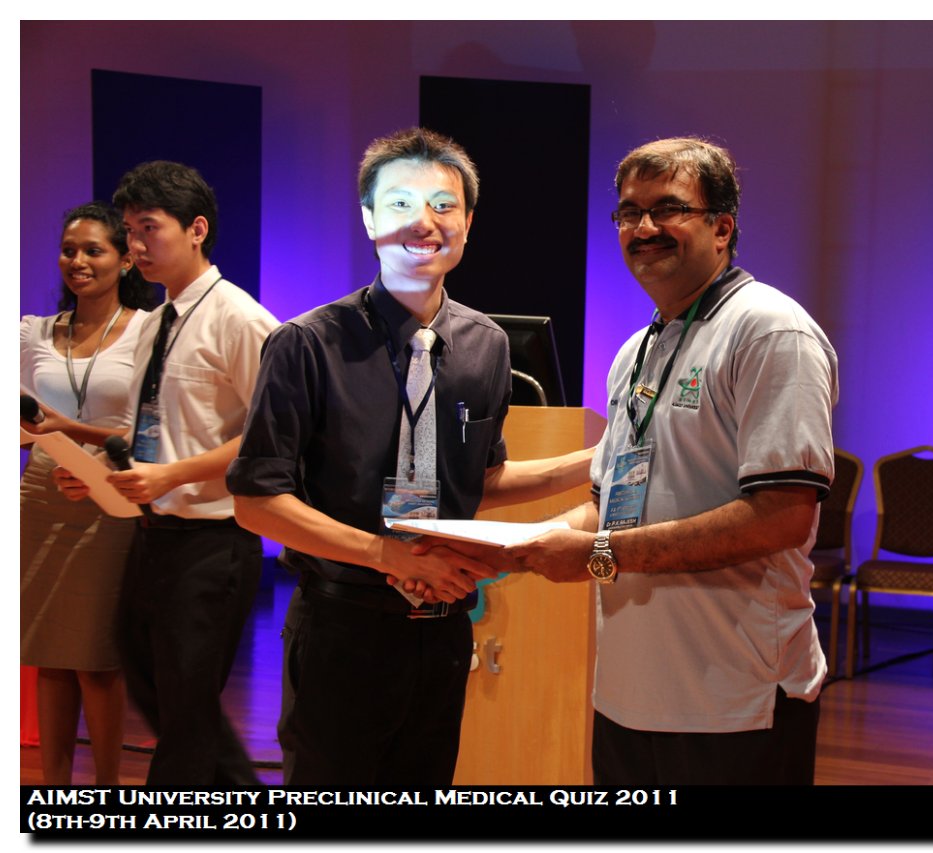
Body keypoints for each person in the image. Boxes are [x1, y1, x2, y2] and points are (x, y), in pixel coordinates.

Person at [227, 127, 592, 786]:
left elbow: (479, 480)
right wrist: (388, 555)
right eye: (400, 204)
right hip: (342, 625)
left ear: (468, 223)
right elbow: (257, 502)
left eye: (444, 205)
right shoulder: (305, 344)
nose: (424, 221)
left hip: (444, 630)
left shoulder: (486, 345)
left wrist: (593, 463)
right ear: (370, 220)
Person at [491, 137, 838, 785]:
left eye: (668, 208)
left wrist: (596, 554)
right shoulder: (635, 352)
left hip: (735, 699)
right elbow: (608, 505)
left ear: (722, 228)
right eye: (629, 212)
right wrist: (519, 548)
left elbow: (781, 518)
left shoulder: (769, 331)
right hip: (628, 696)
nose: (644, 228)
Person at [53, 161, 279, 785]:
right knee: (153, 682)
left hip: (215, 539)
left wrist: (174, 475)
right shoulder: (156, 320)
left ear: (196, 230)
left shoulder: (240, 318)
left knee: (185, 711)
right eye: (130, 231)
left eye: (149, 228)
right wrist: (98, 471)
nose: (136, 245)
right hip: (153, 533)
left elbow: (271, 436)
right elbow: (145, 431)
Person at [20, 202, 155, 784]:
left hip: (109, 493)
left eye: (93, 250)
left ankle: (106, 789)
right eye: (68, 250)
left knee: (97, 657)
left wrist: (75, 434)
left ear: (125, 260)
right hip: (41, 492)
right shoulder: (32, 332)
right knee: (48, 653)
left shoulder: (148, 329)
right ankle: (52, 790)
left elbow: (150, 428)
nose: (77, 260)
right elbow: (24, 418)